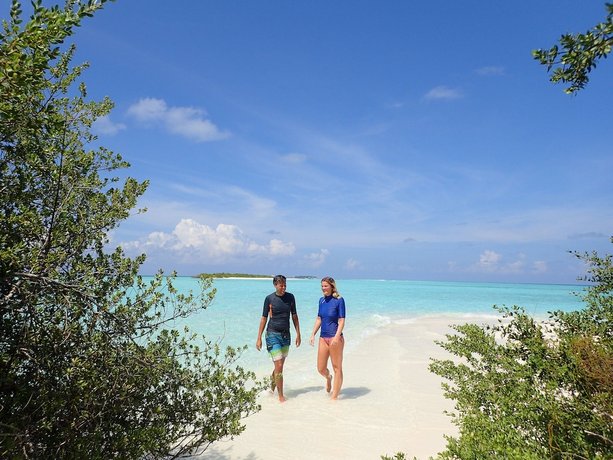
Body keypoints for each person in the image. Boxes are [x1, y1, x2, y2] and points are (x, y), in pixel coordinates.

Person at [256, 275, 301, 402]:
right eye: (281, 285)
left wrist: (298, 333)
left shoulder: (290, 297)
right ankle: (281, 396)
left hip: (286, 336)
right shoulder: (269, 299)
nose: (283, 287)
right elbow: (264, 318)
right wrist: (259, 337)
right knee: (279, 365)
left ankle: (271, 390)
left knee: (278, 367)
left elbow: (294, 316)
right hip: (272, 334)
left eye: (285, 285)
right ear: (275, 285)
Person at [309, 276, 346, 400]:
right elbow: (319, 318)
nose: (323, 288)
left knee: (337, 368)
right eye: (322, 286)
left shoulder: (339, 300)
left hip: (336, 338)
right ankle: (328, 378)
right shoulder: (321, 301)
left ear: (332, 286)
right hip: (323, 338)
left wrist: (336, 337)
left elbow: (341, 321)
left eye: (326, 286)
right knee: (321, 368)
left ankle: (334, 397)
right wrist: (313, 334)